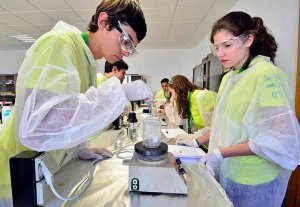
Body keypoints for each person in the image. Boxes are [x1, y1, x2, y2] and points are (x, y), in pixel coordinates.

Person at [0, 0, 153, 205]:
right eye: (126, 41)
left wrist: (80, 148)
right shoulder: (59, 43)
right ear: (103, 21)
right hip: (17, 180)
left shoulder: (88, 63)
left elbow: (72, 114)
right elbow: (37, 127)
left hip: (48, 175)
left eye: (131, 48)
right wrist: (119, 92)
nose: (126, 51)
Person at [199, 11, 300, 207]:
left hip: (254, 177)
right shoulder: (229, 78)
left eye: (227, 45)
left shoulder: (267, 74)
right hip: (229, 170)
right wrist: (197, 140)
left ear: (248, 40)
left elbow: (275, 138)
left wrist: (220, 153)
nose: (220, 53)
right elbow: (225, 125)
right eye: (216, 47)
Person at [164, 75, 216, 148]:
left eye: (172, 93)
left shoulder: (204, 97)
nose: (172, 97)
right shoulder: (189, 100)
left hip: (217, 146)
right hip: (206, 143)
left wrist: (196, 138)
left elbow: (218, 128)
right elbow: (178, 120)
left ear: (178, 90)